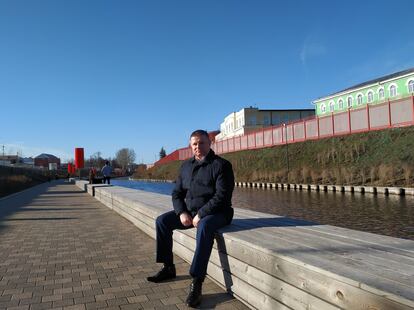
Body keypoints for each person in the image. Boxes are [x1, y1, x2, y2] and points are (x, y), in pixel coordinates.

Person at [146, 129, 235, 308]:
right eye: (194, 144)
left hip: (218, 213)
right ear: (190, 146)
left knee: (205, 226)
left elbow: (222, 196)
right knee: (162, 221)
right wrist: (182, 212)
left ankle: (197, 281)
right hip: (191, 212)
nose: (198, 147)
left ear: (210, 143)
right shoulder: (186, 166)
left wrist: (201, 214)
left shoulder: (221, 165)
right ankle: (168, 267)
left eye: (202, 143)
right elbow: (177, 194)